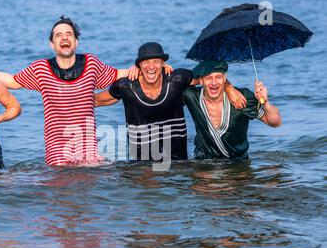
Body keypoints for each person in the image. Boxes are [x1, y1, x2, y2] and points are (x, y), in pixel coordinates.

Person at [0, 16, 161, 166]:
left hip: (88, 148)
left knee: (93, 188)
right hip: (57, 150)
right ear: (52, 44)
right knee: (61, 188)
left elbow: (117, 74)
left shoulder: (91, 63)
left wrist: (150, 68)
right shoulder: (41, 69)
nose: (64, 38)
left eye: (69, 34)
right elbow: (12, 81)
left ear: (76, 42)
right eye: (59, 35)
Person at [95, 42, 246, 163]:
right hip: (141, 167)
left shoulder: (177, 80)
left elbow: (208, 76)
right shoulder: (126, 86)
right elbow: (94, 101)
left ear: (163, 64)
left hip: (177, 164)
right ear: (139, 65)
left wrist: (229, 87)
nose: (151, 66)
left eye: (156, 61)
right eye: (146, 62)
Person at [183, 61, 282, 160]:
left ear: (225, 78)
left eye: (218, 77)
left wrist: (265, 103)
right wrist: (166, 67)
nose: (214, 82)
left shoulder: (242, 98)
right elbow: (176, 80)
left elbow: (275, 122)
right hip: (203, 162)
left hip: (237, 162)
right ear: (200, 80)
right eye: (208, 78)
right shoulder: (192, 96)